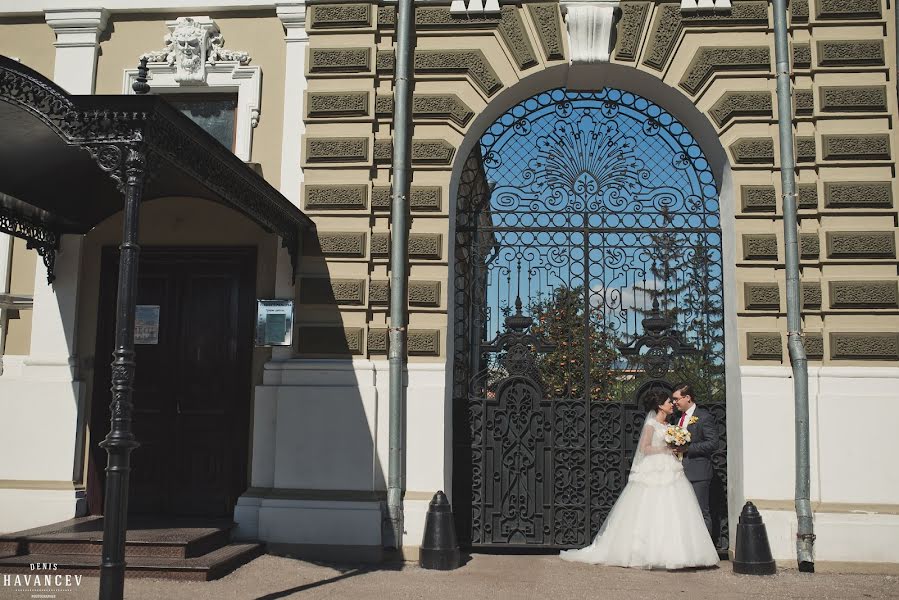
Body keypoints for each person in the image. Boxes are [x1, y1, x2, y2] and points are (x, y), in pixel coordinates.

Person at [559, 390, 719, 570]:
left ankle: (674, 551)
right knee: (650, 507)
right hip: (655, 467)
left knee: (672, 509)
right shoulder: (651, 424)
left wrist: (676, 445)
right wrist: (666, 450)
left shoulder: (670, 425)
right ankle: (645, 552)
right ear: (660, 406)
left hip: (672, 468)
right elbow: (645, 448)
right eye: (668, 401)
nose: (672, 404)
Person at [670, 382, 719, 538]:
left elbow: (713, 443)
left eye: (677, 399)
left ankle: (706, 556)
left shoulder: (703, 417)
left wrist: (688, 449)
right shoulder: (678, 418)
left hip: (698, 472)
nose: (674, 402)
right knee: (683, 513)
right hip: (679, 472)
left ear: (688, 397)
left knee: (700, 511)